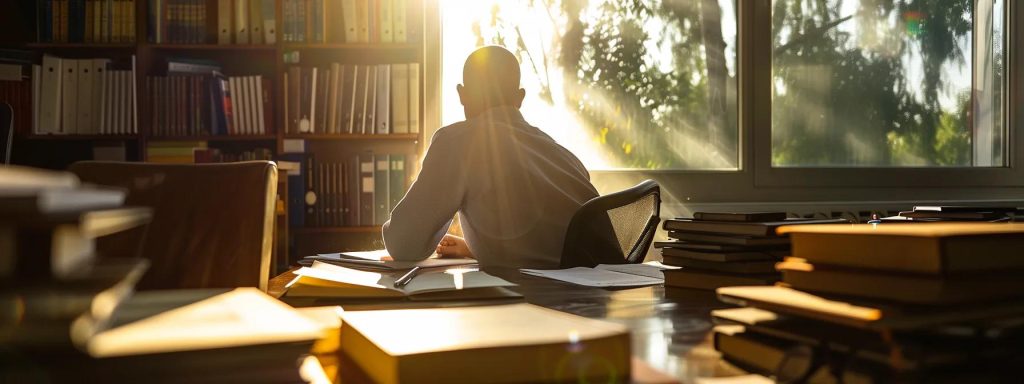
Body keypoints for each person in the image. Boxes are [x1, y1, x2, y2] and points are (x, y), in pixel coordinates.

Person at [382, 46, 599, 269]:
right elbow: (547, 244)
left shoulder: (457, 141)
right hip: (603, 290)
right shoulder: (565, 157)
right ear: (520, 97)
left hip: (538, 298)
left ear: (462, 95)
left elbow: (404, 244)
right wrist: (472, 248)